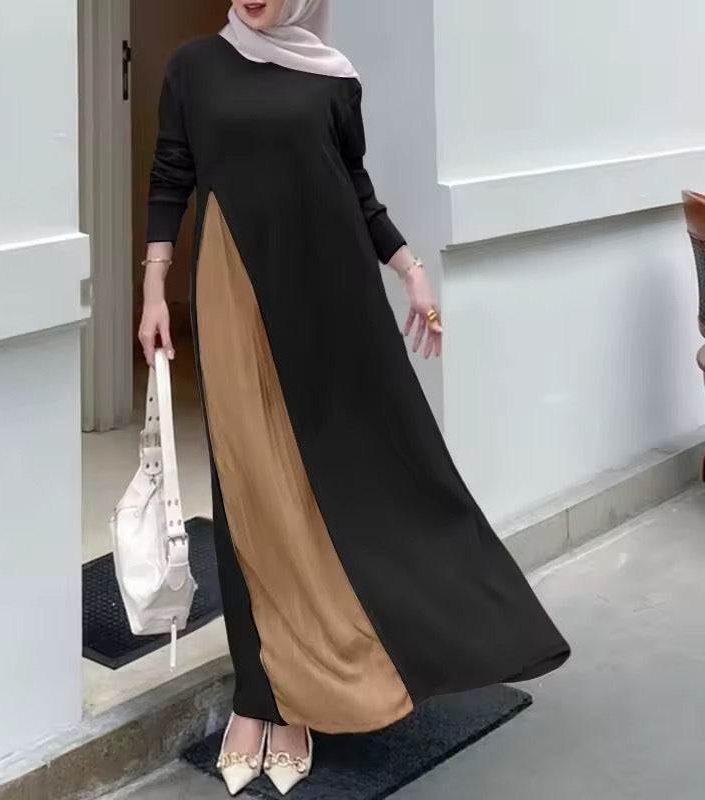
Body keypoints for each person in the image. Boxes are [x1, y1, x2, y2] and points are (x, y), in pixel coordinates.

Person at [139, 0, 570, 795]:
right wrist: (154, 289)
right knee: (249, 486)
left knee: (325, 491)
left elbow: (355, 190)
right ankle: (258, 693)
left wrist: (411, 272)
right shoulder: (194, 68)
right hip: (235, 295)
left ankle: (296, 694)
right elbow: (172, 175)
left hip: (328, 302)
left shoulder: (332, 79)